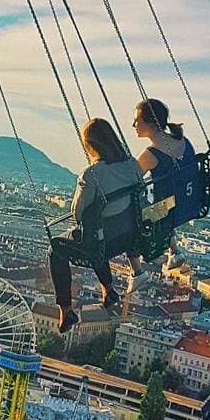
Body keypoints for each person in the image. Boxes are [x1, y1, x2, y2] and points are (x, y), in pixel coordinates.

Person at [48, 118, 144, 333]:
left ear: (90, 145)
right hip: (127, 236)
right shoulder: (133, 166)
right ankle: (108, 289)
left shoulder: (92, 174)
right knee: (94, 234)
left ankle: (66, 309)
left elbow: (78, 212)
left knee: (57, 249)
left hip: (101, 242)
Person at [132, 98, 195, 268]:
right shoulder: (184, 142)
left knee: (133, 210)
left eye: (137, 120)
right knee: (166, 202)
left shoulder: (150, 154)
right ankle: (174, 251)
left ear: (151, 123)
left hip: (165, 211)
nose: (134, 124)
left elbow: (129, 179)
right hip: (189, 203)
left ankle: (136, 270)